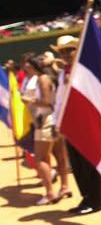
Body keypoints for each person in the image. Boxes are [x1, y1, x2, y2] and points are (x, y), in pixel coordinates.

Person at [52, 35, 101, 215]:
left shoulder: (85, 71)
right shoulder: (62, 73)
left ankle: (95, 200)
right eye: (63, 51)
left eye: (70, 50)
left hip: (85, 124)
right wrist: (57, 121)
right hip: (69, 124)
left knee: (88, 162)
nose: (66, 54)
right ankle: (86, 197)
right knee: (76, 163)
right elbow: (59, 99)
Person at [22, 55, 71, 205]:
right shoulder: (50, 76)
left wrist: (29, 100)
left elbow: (46, 101)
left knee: (40, 158)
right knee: (60, 156)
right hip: (55, 120)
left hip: (45, 120)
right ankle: (64, 187)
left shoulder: (42, 78)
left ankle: (50, 193)